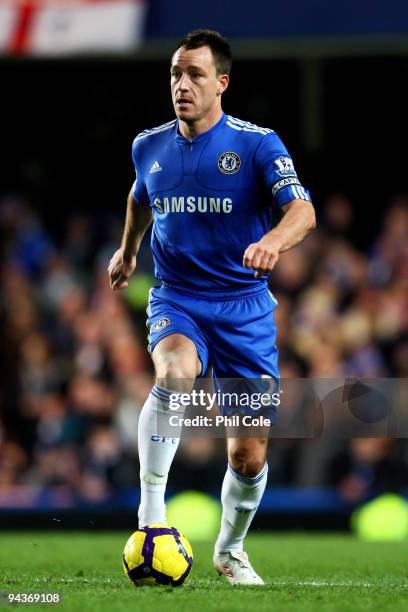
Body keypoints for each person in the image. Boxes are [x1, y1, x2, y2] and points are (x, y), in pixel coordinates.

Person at [108, 29, 316, 585]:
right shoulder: (147, 145)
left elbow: (302, 211)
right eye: (176, 73)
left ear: (221, 82)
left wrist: (274, 240)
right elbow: (138, 198)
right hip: (178, 298)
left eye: (195, 74)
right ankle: (151, 520)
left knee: (247, 456)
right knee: (173, 374)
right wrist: (127, 252)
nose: (182, 84)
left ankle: (230, 549)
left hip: (245, 308)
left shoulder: (257, 144)